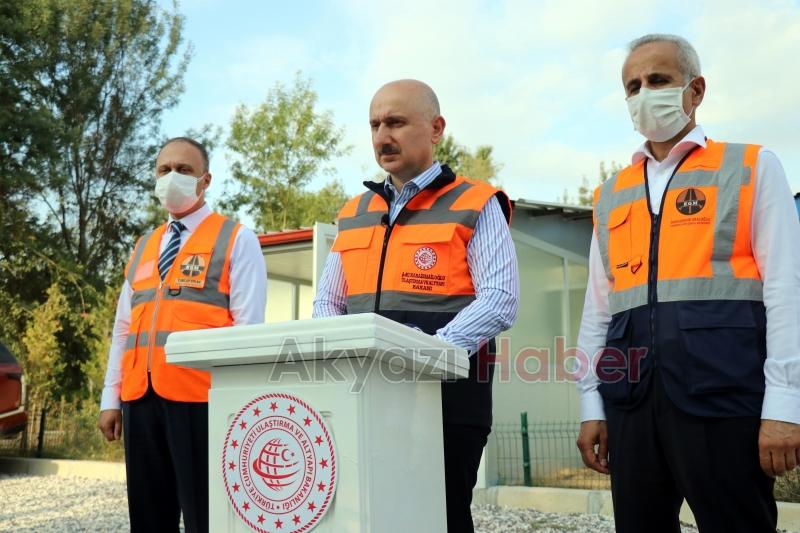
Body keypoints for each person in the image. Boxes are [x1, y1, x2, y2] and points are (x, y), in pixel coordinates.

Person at [575, 34, 800, 533]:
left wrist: (785, 406)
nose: (644, 94)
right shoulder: (611, 195)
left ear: (695, 90)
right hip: (631, 404)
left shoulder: (750, 166)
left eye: (658, 80)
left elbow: (787, 291)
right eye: (633, 86)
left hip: (724, 397)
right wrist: (592, 403)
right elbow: (598, 310)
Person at [313, 79, 519, 532]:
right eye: (374, 125)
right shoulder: (353, 212)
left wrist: (421, 356)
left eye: (396, 122)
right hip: (364, 397)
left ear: (436, 128)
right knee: (367, 518)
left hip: (446, 403)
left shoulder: (475, 202)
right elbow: (327, 302)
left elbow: (500, 300)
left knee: (439, 518)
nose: (382, 136)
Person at [96, 137, 266, 533]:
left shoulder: (236, 239)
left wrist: (237, 406)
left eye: (184, 170)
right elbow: (123, 329)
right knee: (148, 519)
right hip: (139, 400)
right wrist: (110, 399)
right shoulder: (143, 246)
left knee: (207, 518)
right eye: (164, 170)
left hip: (201, 401)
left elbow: (249, 330)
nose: (172, 177)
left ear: (205, 181)